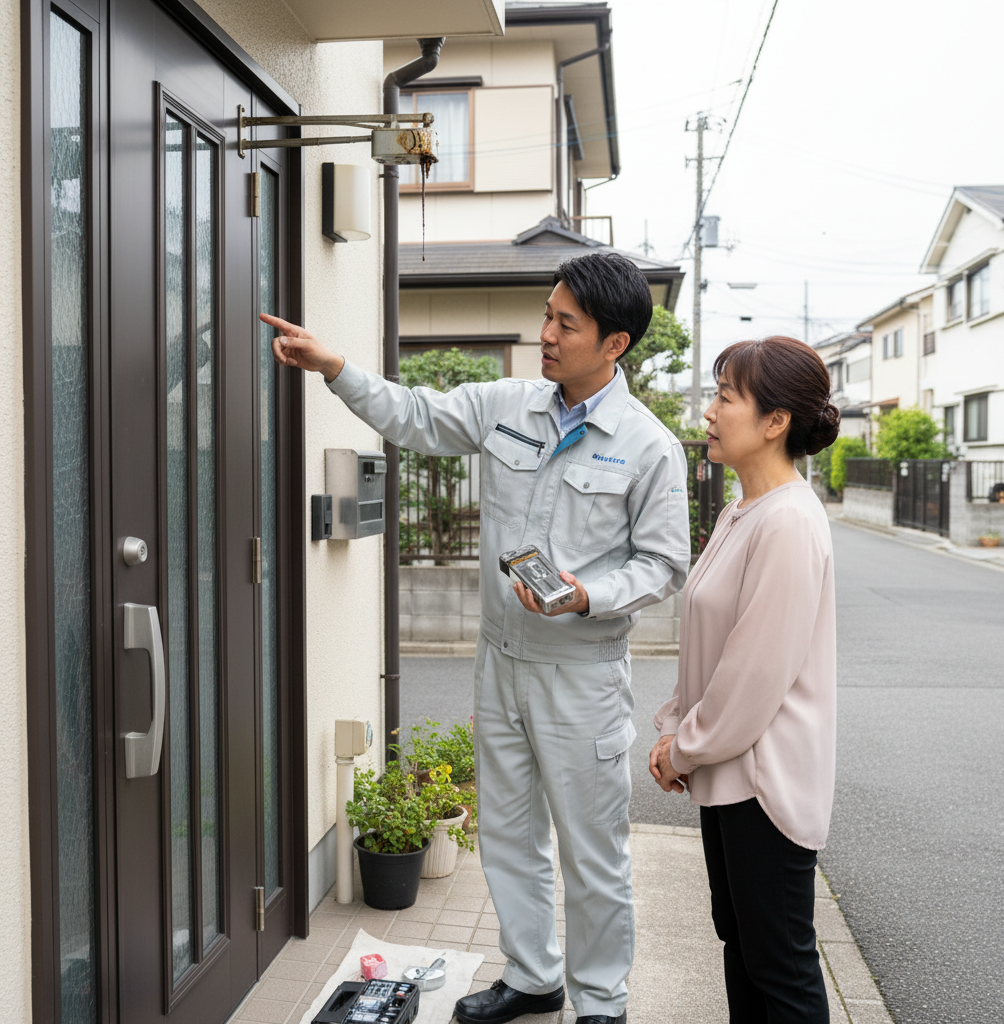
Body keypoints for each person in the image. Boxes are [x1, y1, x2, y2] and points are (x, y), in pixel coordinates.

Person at [263, 251, 690, 1024]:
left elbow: (663, 564)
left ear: (614, 343)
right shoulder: (507, 405)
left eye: (567, 323)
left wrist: (588, 594)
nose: (546, 334)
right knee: (509, 837)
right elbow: (416, 416)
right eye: (548, 315)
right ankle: (533, 978)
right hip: (500, 665)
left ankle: (601, 1001)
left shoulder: (648, 445)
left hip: (582, 673)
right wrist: (334, 366)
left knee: (592, 856)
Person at [649, 335, 841, 1024]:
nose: (708, 412)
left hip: (766, 782)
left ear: (775, 422)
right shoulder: (741, 512)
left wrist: (684, 746)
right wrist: (676, 727)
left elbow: (754, 675)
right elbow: (712, 648)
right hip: (730, 773)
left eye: (725, 397)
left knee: (780, 966)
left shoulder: (788, 522)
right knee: (745, 949)